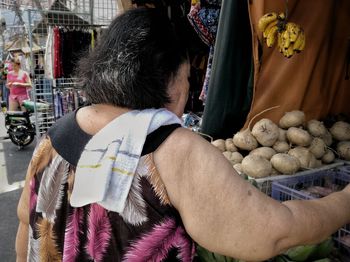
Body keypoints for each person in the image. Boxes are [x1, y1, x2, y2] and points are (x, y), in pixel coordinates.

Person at [16, 8, 350, 262]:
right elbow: (273, 234)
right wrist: (344, 202)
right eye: (188, 77)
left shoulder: (52, 137)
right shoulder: (174, 149)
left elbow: (24, 228)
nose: (188, 89)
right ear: (170, 77)